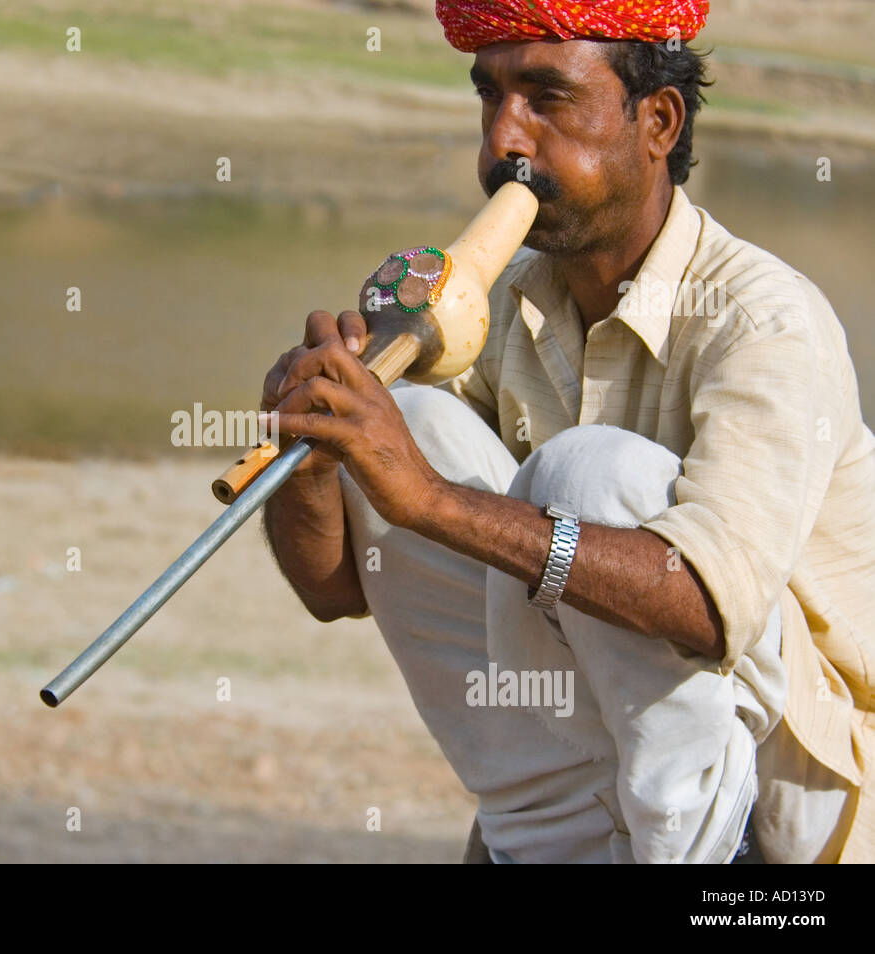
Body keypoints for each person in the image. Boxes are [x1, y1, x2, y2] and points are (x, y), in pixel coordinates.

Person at [259, 0, 874, 863]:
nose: (506, 139)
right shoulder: (501, 305)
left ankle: (693, 854)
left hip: (787, 802)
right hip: (585, 766)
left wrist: (428, 499)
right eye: (491, 97)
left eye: (547, 98)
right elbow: (337, 591)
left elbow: (703, 604)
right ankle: (539, 834)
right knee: (418, 420)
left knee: (589, 473)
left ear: (657, 122)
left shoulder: (764, 322)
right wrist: (317, 455)